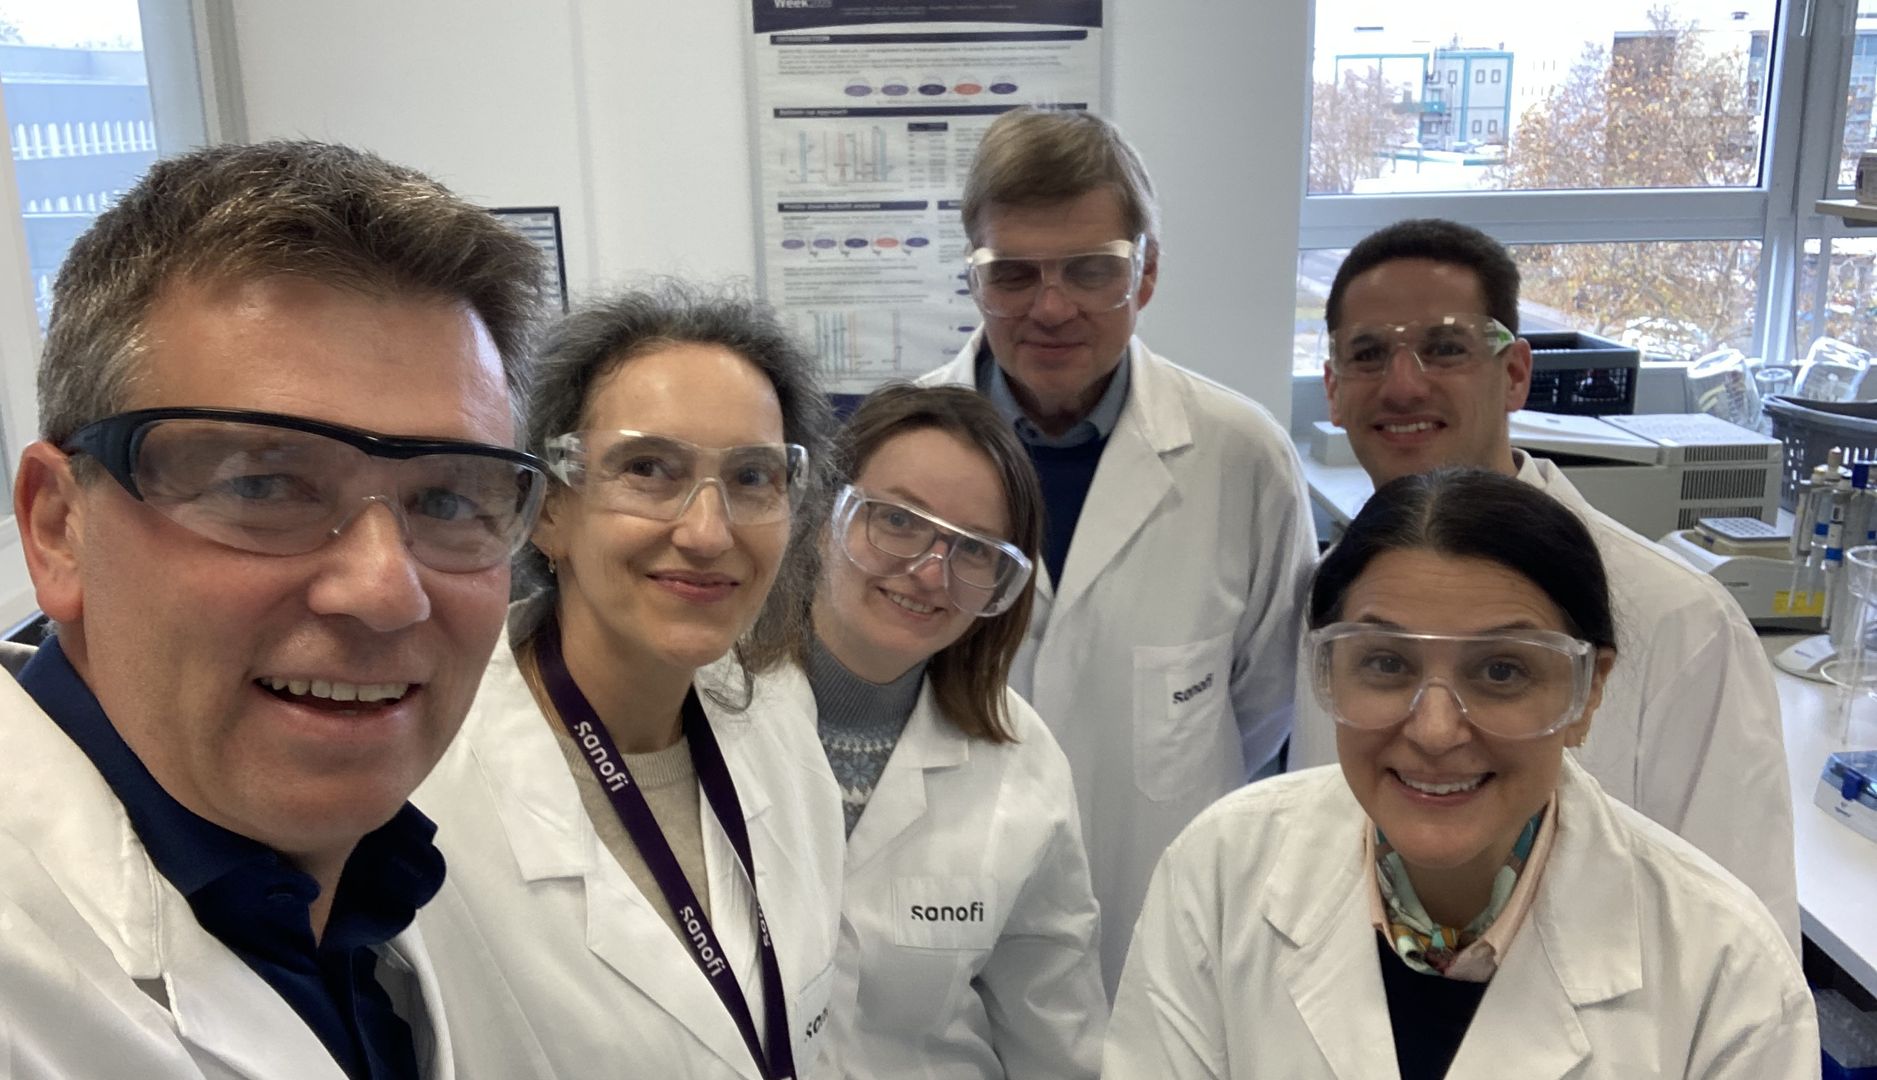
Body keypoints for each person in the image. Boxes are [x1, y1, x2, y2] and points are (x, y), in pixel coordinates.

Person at [0, 140, 552, 1078]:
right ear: (59, 527)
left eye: (451, 500)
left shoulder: (378, 882)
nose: (384, 590)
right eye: (261, 484)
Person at [1106, 468, 1819, 1080]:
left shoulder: (1725, 970)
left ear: (1586, 692)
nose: (1435, 730)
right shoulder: (1220, 872)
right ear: (1326, 670)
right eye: (1385, 663)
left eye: (1501, 670)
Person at [1289, 217, 1800, 949]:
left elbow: (1747, 941)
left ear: (1516, 374)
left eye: (1444, 347)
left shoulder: (1678, 621)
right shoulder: (1331, 601)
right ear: (1334, 390)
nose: (1403, 384)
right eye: (1368, 354)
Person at [918, 106, 1317, 992]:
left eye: (1091, 270)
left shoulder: (1241, 454)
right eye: (1012, 273)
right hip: (945, 918)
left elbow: (1265, 701)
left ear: (1145, 276)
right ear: (973, 281)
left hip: (1162, 915)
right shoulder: (896, 459)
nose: (1051, 307)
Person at [413, 283, 845, 1079]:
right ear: (545, 508)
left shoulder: (780, 719)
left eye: (753, 478)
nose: (708, 532)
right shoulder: (426, 787)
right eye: (648, 469)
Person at [744, 383, 1107, 1077]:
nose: (930, 571)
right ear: (824, 514)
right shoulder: (699, 703)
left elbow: (1055, 1035)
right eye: (898, 520)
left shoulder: (1021, 763)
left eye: (975, 552)